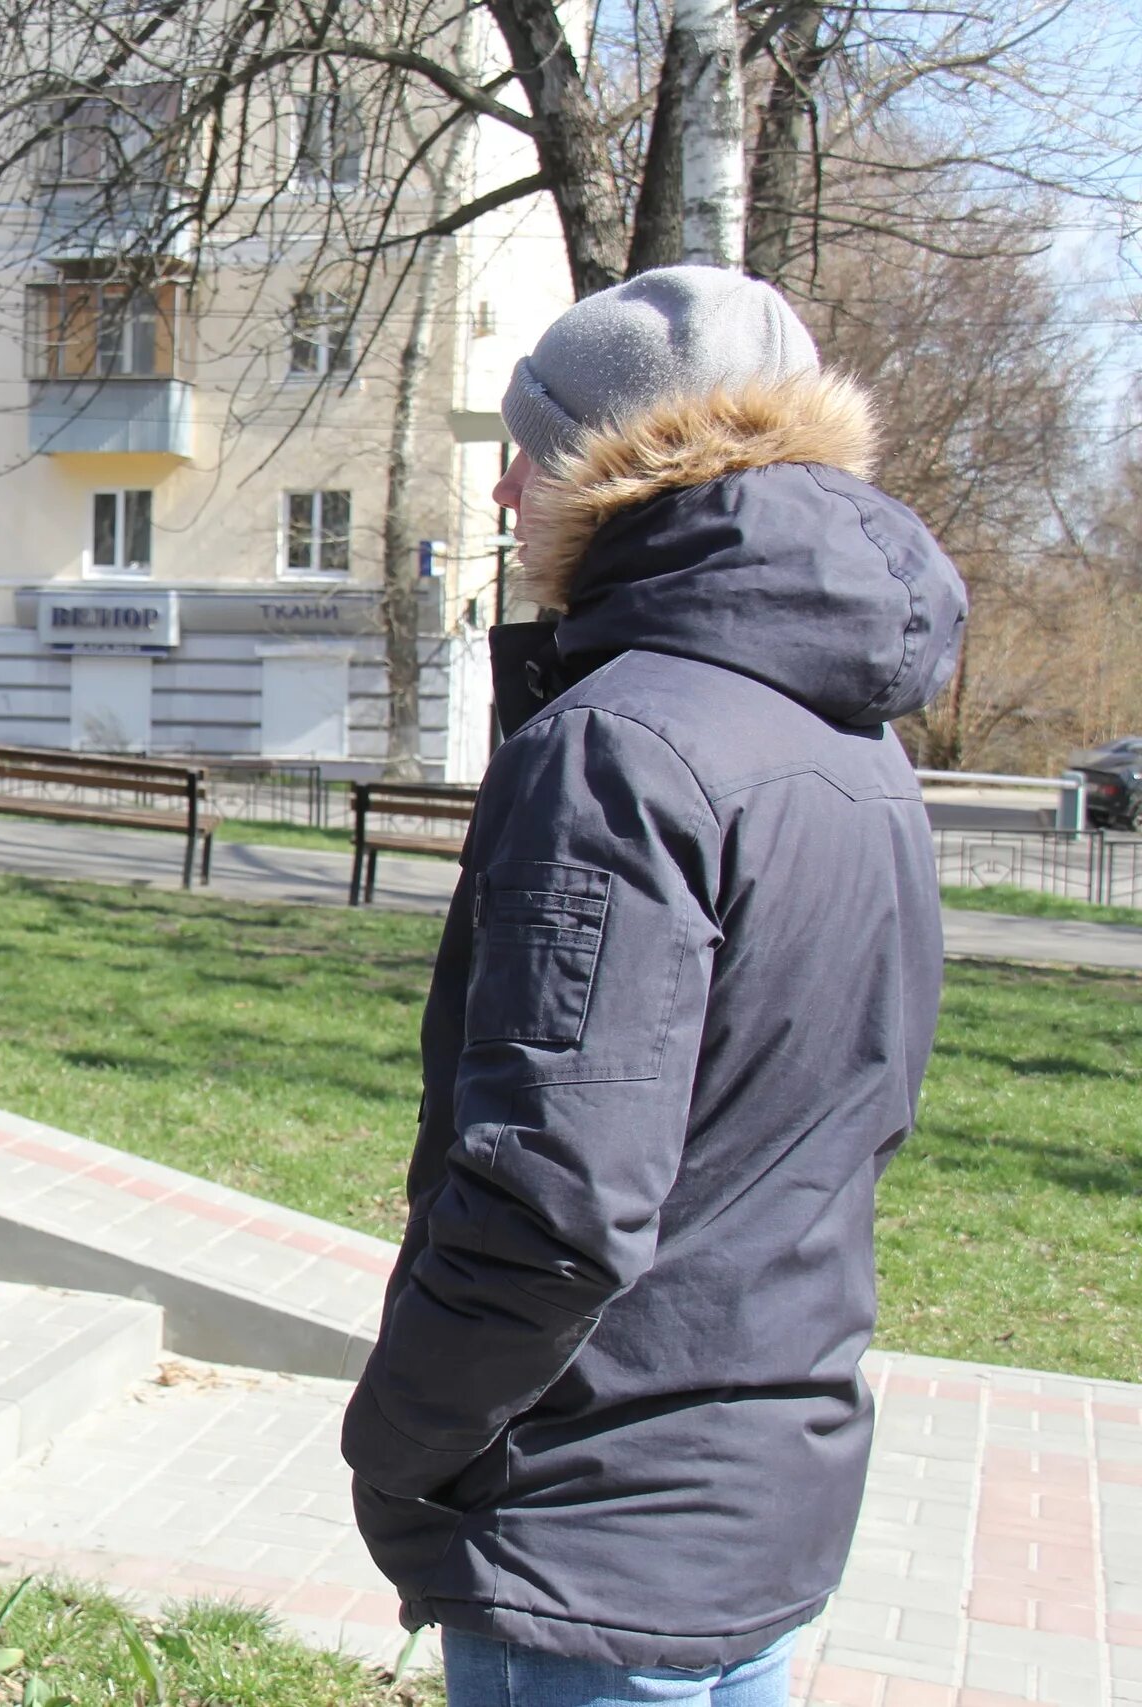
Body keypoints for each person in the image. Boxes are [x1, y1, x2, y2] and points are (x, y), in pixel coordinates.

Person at [341, 265, 966, 1707]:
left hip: (589, 1522)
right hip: (767, 1487)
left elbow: (553, 1203)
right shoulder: (857, 736)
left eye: (529, 451)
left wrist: (398, 1442)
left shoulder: (618, 745)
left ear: (609, 470)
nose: (505, 493)